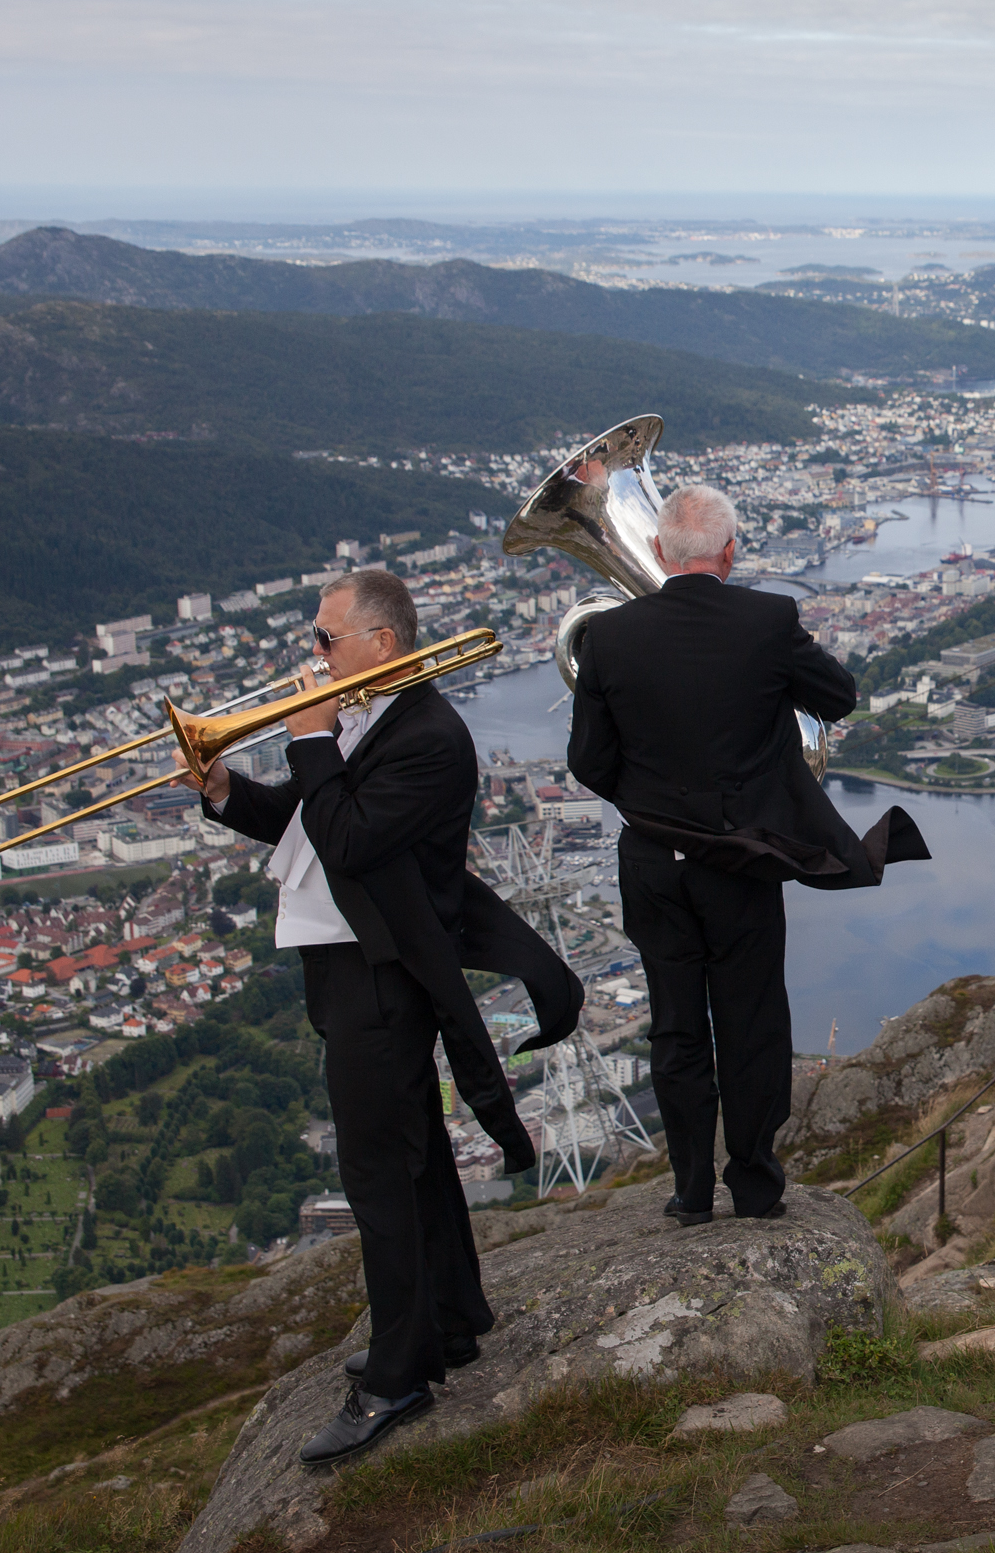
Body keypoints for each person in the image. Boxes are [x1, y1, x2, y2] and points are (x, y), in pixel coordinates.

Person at [189, 570, 580, 1466]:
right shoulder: (366, 717)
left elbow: (354, 836)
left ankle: (397, 1375)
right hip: (348, 968)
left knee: (377, 1178)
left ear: (382, 643)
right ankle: (451, 1318)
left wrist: (310, 739)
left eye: (326, 639)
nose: (311, 655)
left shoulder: (431, 736)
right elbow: (300, 819)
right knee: (418, 1157)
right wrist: (220, 789)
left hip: (383, 979)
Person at [567, 484, 927, 1227]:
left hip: (652, 866)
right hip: (741, 863)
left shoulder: (605, 637)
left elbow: (588, 764)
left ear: (661, 552)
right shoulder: (768, 620)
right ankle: (756, 1184)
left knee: (674, 1026)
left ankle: (690, 1190)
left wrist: (653, 794)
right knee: (752, 1021)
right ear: (730, 552)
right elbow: (839, 696)